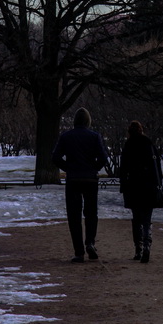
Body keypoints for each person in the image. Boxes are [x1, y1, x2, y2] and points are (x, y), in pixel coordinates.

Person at [51, 107, 109, 263]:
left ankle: (79, 252)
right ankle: (90, 242)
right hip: (90, 179)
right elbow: (103, 158)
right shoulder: (94, 137)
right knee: (91, 213)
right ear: (88, 121)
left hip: (73, 180)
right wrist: (93, 169)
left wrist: (68, 168)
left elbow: (55, 157)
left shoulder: (66, 137)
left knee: (74, 216)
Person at [119, 120, 162, 263]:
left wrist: (123, 186)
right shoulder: (148, 143)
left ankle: (138, 248)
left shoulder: (128, 145)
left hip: (133, 187)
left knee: (136, 219)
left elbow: (123, 168)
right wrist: (158, 184)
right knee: (147, 219)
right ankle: (147, 244)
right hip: (149, 186)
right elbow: (156, 166)